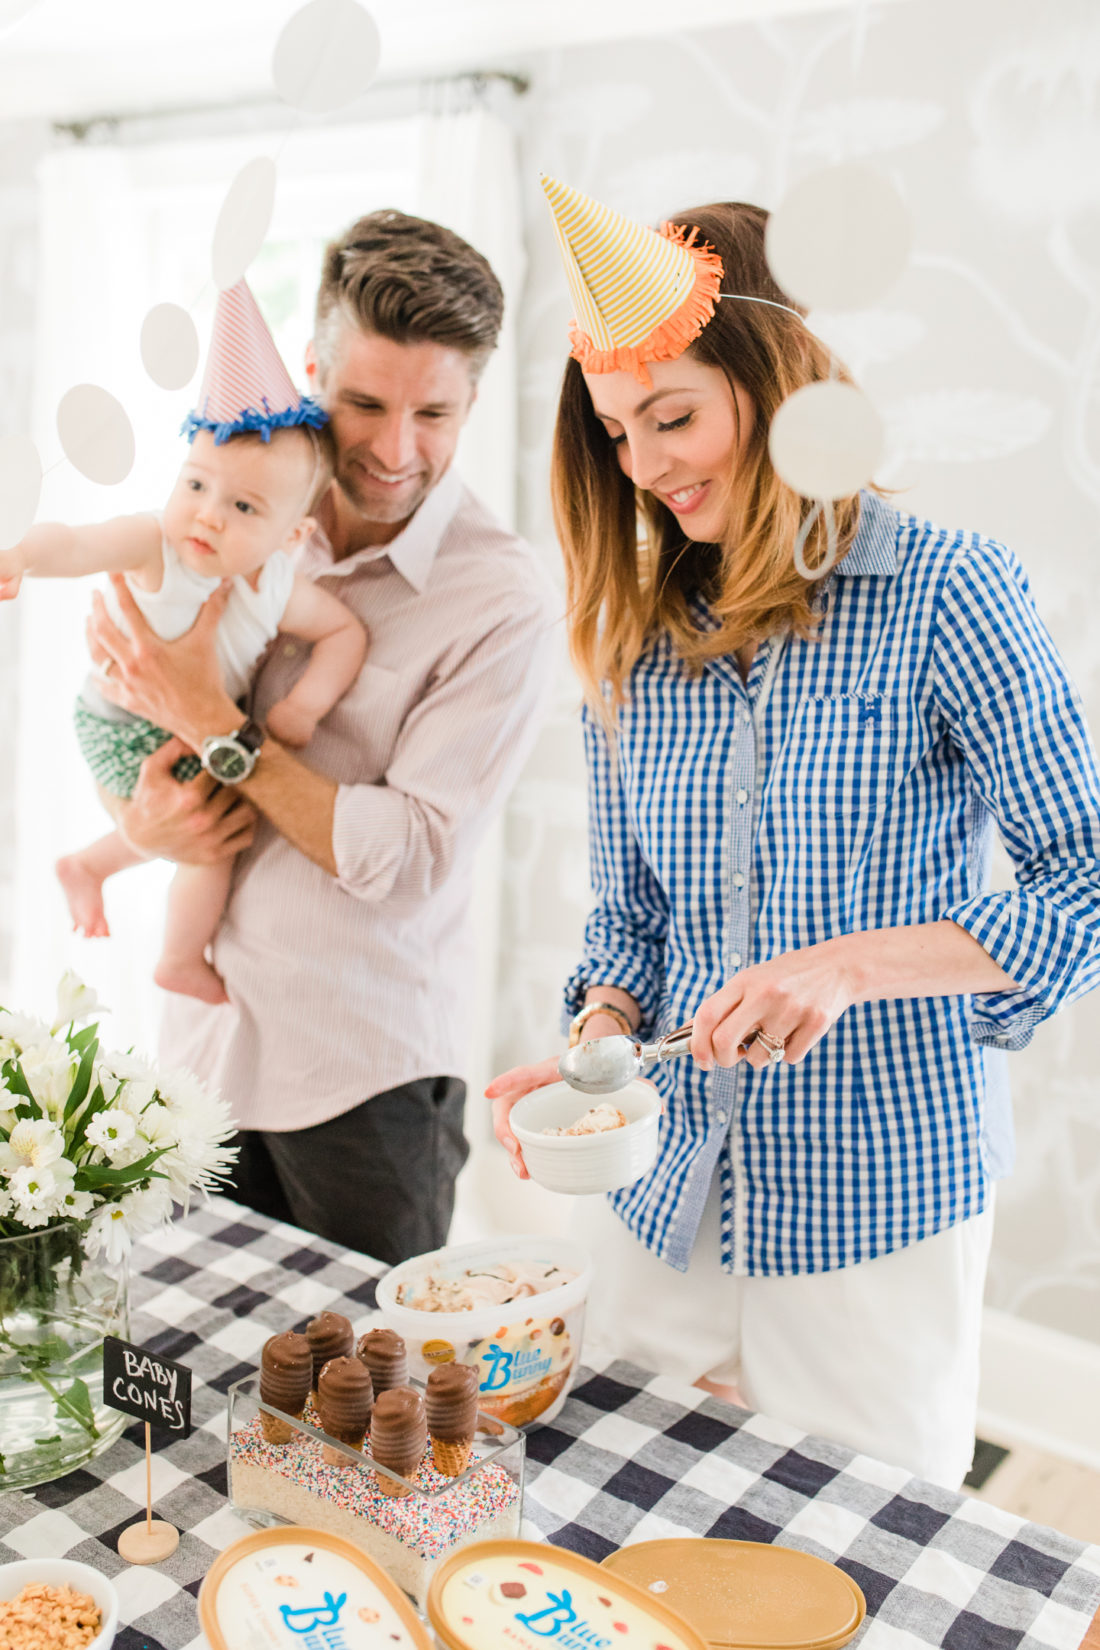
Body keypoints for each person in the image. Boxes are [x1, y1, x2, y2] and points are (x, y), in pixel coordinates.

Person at [488, 178, 1100, 1487]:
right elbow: (632, 923)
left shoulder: (948, 591)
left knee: (866, 1562)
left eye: (672, 415)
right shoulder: (637, 642)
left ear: (773, 380)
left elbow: (1083, 877)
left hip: (875, 1193)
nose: (645, 467)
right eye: (616, 432)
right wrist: (598, 1040)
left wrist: (849, 964)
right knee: (624, 1520)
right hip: (664, 1188)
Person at [86, 211, 557, 1266]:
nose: (396, 451)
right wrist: (146, 819)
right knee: (190, 1381)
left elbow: (409, 853)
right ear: (310, 374)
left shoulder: (499, 599)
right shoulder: (227, 515)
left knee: (367, 1412)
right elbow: (129, 722)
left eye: (433, 413)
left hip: (363, 1083)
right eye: (364, 404)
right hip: (203, 1055)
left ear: (474, 400)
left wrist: (215, 724)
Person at [0, 279, 366, 1008]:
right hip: (122, 719)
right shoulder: (154, 544)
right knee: (215, 834)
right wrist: (20, 558)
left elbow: (345, 632)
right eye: (196, 483)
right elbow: (76, 541)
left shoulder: (273, 584)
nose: (207, 515)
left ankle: (90, 868)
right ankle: (175, 952)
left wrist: (304, 706)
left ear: (289, 536)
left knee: (215, 810)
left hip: (181, 722)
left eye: (242, 506)